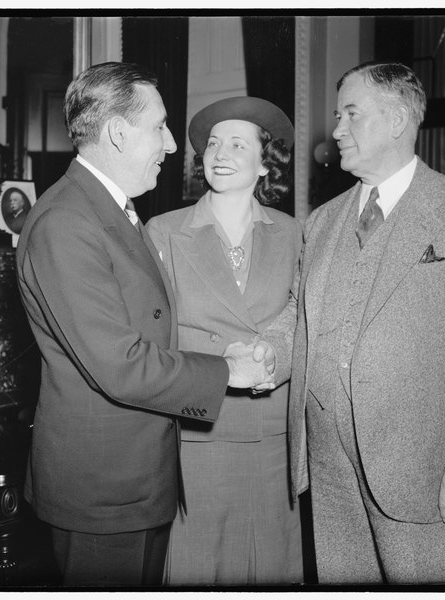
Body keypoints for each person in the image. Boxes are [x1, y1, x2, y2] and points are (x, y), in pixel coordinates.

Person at [254, 62, 445, 584]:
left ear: (399, 119)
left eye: (350, 114)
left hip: (421, 468)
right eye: (337, 116)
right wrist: (266, 350)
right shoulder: (323, 220)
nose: (335, 131)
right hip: (329, 467)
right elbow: (299, 315)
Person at [15, 62, 270, 587]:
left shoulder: (111, 210)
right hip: (102, 491)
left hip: (133, 480)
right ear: (116, 132)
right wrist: (227, 372)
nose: (173, 145)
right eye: (160, 127)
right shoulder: (67, 222)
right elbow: (119, 363)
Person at [146, 97, 304, 585]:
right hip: (201, 429)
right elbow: (154, 335)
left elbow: (306, 318)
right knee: (201, 568)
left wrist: (270, 362)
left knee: (272, 566)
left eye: (239, 143)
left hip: (274, 431)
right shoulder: (164, 232)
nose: (221, 153)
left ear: (264, 161)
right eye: (214, 143)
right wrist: (224, 363)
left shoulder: (297, 234)